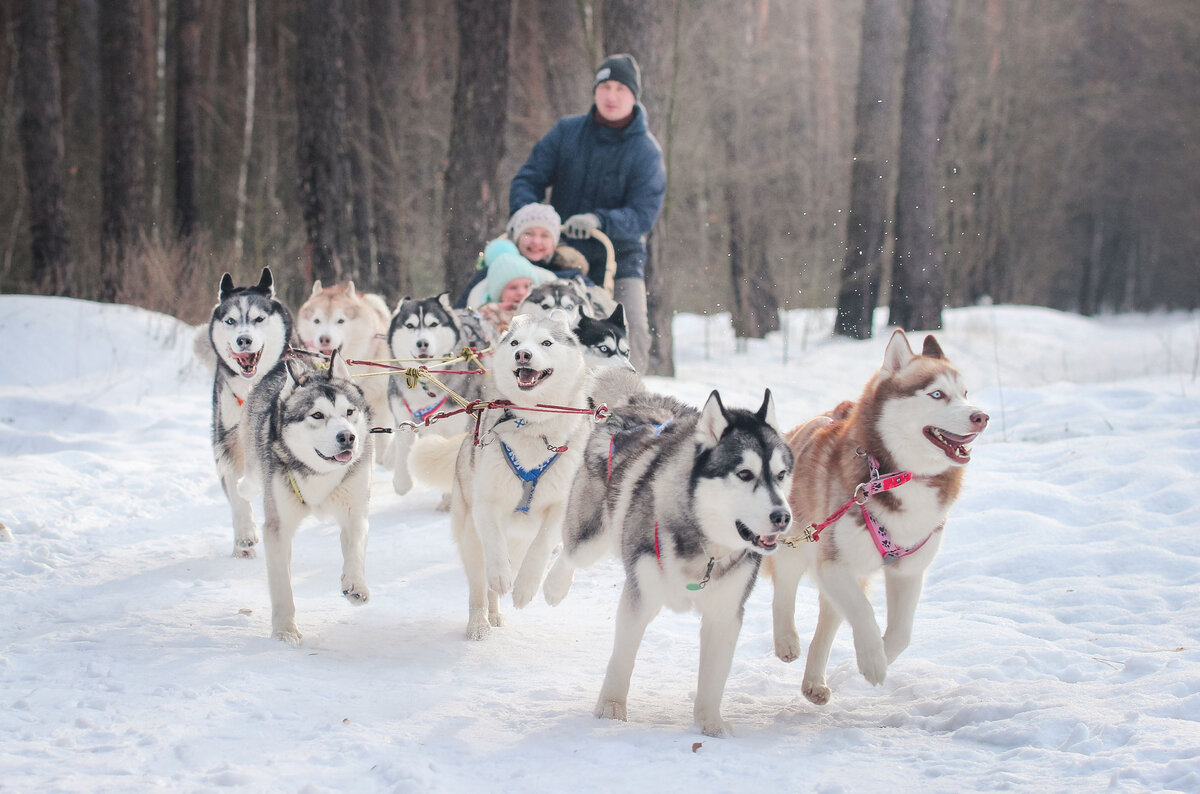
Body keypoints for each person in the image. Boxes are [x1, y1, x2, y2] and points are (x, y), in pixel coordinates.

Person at [509, 53, 666, 373]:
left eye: (620, 89)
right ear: (595, 91)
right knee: (513, 304)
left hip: (618, 256)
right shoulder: (567, 132)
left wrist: (601, 221)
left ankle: (628, 402)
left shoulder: (646, 152)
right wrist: (532, 218)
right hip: (559, 250)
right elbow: (528, 178)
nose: (611, 96)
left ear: (634, 96)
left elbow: (642, 214)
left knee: (632, 327)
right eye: (605, 86)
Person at [470, 247, 555, 336]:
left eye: (527, 286)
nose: (521, 292)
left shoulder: (545, 310)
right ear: (499, 295)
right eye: (513, 288)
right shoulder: (489, 314)